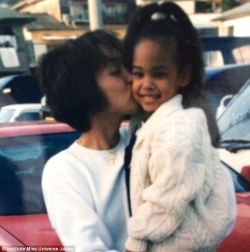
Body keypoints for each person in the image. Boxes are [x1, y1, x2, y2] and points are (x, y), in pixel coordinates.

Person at [122, 2, 237, 252]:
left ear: (183, 76)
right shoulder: (159, 122)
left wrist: (135, 244)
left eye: (159, 74)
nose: (146, 84)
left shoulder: (178, 127)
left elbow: (168, 197)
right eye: (139, 74)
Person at [39, 30, 139, 252]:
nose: (131, 78)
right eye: (115, 72)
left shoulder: (144, 140)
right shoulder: (65, 170)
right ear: (85, 91)